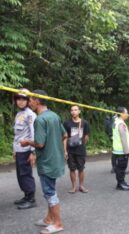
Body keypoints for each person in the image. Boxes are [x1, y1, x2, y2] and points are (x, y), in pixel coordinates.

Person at [20, 90, 67, 234]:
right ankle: (49, 218)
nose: (29, 102)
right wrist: (61, 151)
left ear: (37, 101)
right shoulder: (54, 115)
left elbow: (40, 144)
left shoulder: (40, 119)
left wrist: (27, 141)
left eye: (31, 100)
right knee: (50, 189)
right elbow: (64, 135)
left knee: (49, 192)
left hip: (46, 162)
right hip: (55, 160)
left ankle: (58, 223)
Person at [13, 88, 37, 210]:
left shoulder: (30, 115)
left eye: (23, 99)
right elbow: (17, 135)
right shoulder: (18, 114)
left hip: (27, 150)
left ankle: (31, 199)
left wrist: (33, 152)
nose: (20, 101)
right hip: (19, 150)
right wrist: (14, 150)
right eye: (18, 99)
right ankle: (26, 196)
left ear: (28, 100)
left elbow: (34, 134)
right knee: (20, 175)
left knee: (26, 174)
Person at [63, 105, 90, 194]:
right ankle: (74, 186)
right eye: (72, 110)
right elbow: (65, 138)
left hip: (80, 150)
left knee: (81, 168)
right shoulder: (67, 123)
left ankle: (81, 186)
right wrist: (65, 151)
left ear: (79, 111)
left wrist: (82, 146)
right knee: (72, 168)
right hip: (70, 150)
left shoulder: (84, 123)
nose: (73, 112)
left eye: (75, 110)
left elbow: (86, 137)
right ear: (70, 112)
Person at [112, 107, 129, 191]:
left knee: (121, 168)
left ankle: (122, 182)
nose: (127, 114)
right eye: (126, 113)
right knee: (121, 168)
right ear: (121, 114)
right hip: (122, 151)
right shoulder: (121, 124)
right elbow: (123, 138)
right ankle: (120, 184)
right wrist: (127, 151)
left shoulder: (116, 122)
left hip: (118, 149)